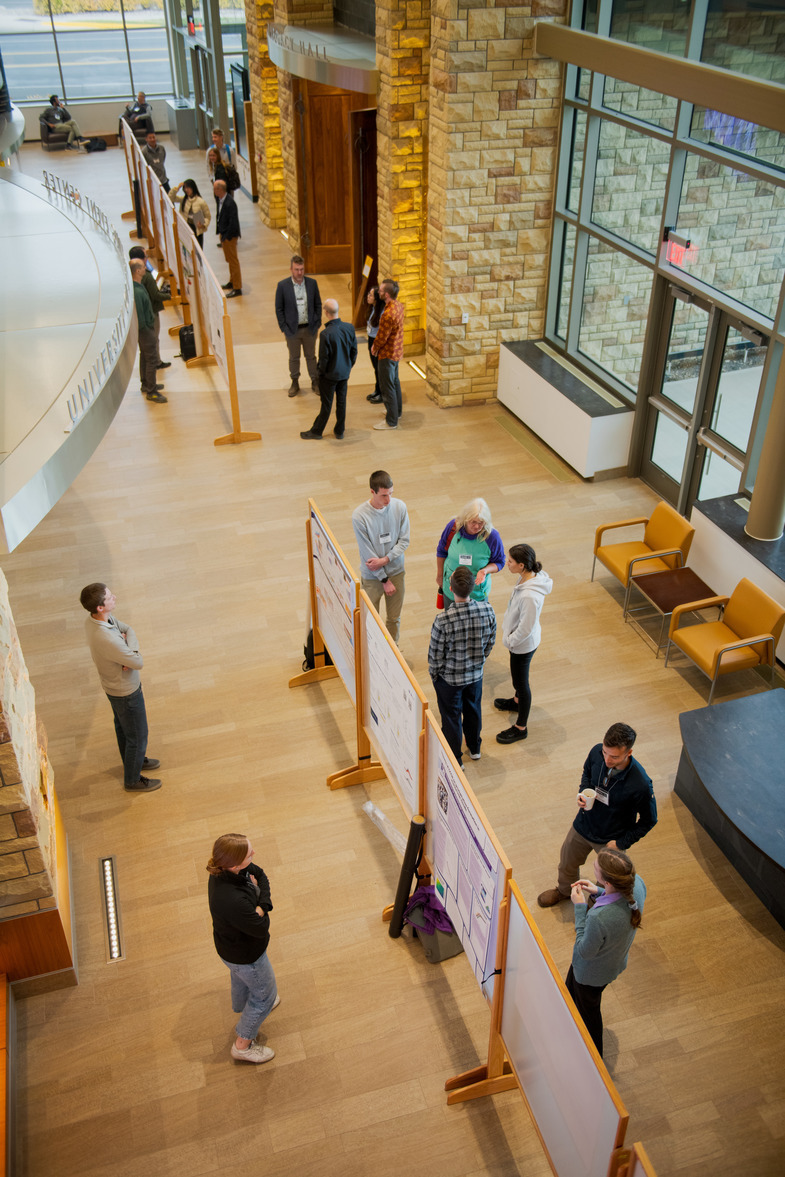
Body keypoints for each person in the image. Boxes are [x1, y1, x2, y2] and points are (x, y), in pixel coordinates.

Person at [537, 722, 657, 907]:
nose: (607, 760)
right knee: (567, 861)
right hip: (584, 823)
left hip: (611, 839)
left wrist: (621, 843)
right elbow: (587, 773)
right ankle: (565, 890)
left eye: (615, 756)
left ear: (629, 753)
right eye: (605, 752)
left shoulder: (640, 784)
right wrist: (583, 791)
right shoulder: (596, 752)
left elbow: (649, 820)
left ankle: (597, 903)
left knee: (607, 878)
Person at [80, 583, 161, 793]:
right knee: (138, 735)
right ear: (100, 607)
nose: (114, 597)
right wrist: (128, 652)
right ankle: (132, 779)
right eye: (109, 597)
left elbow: (128, 629)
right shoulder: (106, 638)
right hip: (126, 692)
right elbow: (138, 662)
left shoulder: (96, 620)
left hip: (113, 687)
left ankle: (134, 761)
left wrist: (127, 649)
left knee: (124, 729)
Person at [207, 833, 279, 1065]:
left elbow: (261, 874)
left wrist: (261, 905)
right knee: (265, 996)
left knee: (240, 978)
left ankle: (242, 1005)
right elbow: (260, 927)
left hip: (230, 949)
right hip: (247, 956)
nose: (254, 854)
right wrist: (260, 906)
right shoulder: (233, 900)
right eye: (249, 854)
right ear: (235, 864)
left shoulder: (223, 870)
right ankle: (242, 1045)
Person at [567, 847, 646, 1058]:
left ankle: (594, 1059)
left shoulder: (598, 918)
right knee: (571, 993)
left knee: (589, 1013)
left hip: (590, 973)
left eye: (595, 870)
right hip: (611, 963)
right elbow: (622, 902)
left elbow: (584, 951)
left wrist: (579, 907)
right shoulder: (637, 884)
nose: (593, 869)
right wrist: (598, 891)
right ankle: (567, 1023)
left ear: (609, 882)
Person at [428, 565, 497, 766]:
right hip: (475, 675)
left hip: (449, 680)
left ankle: (455, 759)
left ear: (450, 589)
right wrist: (479, 661)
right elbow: (490, 642)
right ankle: (475, 748)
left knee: (451, 718)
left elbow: (435, 656)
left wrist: (435, 676)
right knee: (473, 711)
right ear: (472, 588)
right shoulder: (487, 610)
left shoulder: (443, 620)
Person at [495, 544, 553, 744]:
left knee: (521, 683)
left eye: (510, 561)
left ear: (522, 565)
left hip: (522, 645)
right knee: (517, 680)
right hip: (520, 642)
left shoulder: (529, 596)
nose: (507, 563)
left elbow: (525, 628)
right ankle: (516, 701)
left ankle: (521, 727)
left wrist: (510, 641)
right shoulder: (528, 577)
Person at [352, 470, 410, 643]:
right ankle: (371, 654)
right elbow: (368, 555)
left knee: (394, 619)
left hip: (396, 572)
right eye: (384, 495)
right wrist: (384, 579)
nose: (388, 500)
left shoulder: (400, 507)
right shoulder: (360, 516)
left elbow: (404, 541)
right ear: (372, 492)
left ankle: (392, 653)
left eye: (391, 493)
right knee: (371, 622)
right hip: (372, 577)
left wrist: (386, 559)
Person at [300, 299, 358, 440]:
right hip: (344, 373)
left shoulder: (326, 334)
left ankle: (317, 431)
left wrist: (320, 374)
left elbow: (324, 359)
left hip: (330, 376)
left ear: (326, 312)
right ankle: (339, 431)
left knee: (326, 405)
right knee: (341, 402)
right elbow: (354, 351)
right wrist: (348, 366)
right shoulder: (349, 328)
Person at [436, 498, 505, 609]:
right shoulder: (453, 528)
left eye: (481, 523)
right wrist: (439, 575)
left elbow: (499, 562)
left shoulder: (492, 537)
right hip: (451, 590)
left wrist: (485, 571)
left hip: (476, 594)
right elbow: (441, 551)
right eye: (473, 522)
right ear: (465, 518)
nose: (477, 526)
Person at [275, 255, 322, 396]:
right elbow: (279, 308)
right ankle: (295, 382)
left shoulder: (312, 283)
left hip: (310, 329)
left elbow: (318, 304)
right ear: (291, 269)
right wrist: (284, 327)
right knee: (294, 357)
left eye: (302, 269)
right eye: (296, 269)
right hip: (292, 330)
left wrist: (317, 322)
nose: (300, 272)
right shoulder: (283, 286)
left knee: (311, 356)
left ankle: (315, 381)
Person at [370, 278, 405, 430]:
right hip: (396, 351)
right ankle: (396, 413)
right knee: (395, 382)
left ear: (387, 294)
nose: (379, 291)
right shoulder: (398, 306)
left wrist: (374, 347)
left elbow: (382, 336)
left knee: (387, 386)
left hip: (387, 354)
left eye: (381, 290)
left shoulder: (387, 314)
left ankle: (391, 421)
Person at [130, 260, 167, 402]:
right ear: (138, 271)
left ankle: (146, 384)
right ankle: (152, 391)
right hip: (146, 331)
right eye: (143, 266)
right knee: (151, 359)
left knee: (145, 356)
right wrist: (147, 330)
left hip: (145, 330)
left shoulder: (137, 287)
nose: (145, 268)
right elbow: (140, 316)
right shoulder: (137, 292)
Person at [129, 247, 170, 370]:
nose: (147, 258)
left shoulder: (131, 276)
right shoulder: (146, 276)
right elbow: (155, 295)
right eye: (145, 256)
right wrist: (170, 296)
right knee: (153, 339)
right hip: (151, 313)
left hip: (143, 317)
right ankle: (157, 362)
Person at [214, 179, 242, 297]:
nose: (214, 191)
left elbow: (233, 222)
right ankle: (232, 281)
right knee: (229, 260)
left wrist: (226, 236)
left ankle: (237, 287)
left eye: (215, 189)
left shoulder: (230, 203)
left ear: (220, 189)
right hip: (224, 234)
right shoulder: (220, 200)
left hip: (229, 236)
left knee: (233, 261)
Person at [170, 178, 211, 247]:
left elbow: (208, 216)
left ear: (193, 188)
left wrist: (203, 225)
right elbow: (171, 198)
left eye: (188, 187)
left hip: (197, 230)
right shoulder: (184, 199)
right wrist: (177, 188)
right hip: (186, 228)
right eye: (185, 188)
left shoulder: (201, 201)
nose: (186, 190)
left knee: (198, 249)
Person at [365, 286, 384, 404]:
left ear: (376, 298)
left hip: (377, 341)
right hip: (370, 339)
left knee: (379, 369)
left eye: (371, 295)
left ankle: (381, 393)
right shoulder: (372, 308)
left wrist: (376, 345)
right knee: (375, 368)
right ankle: (377, 390)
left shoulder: (381, 312)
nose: (368, 296)